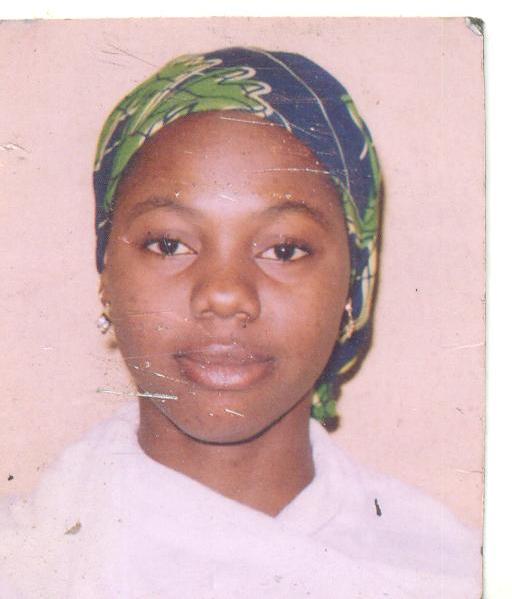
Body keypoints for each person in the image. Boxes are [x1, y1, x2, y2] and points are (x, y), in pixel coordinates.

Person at [0, 47, 481, 598]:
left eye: (284, 250)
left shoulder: (455, 576)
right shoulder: (22, 566)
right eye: (169, 244)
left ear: (353, 285)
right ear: (106, 273)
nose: (225, 295)